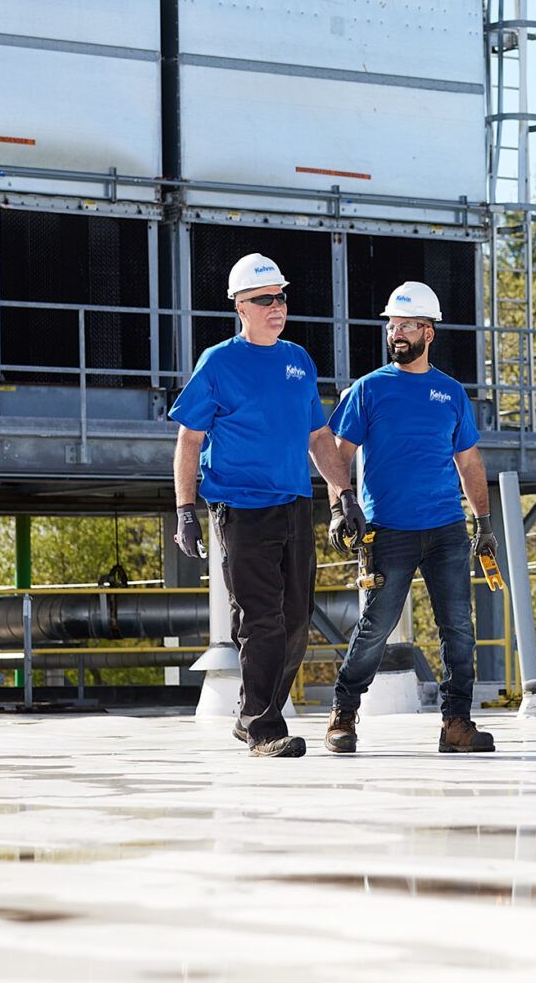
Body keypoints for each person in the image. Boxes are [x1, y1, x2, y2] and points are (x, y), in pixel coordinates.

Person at [171, 253, 365, 758]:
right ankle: (263, 727)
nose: (277, 306)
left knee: (296, 619)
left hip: (295, 506)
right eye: (264, 299)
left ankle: (254, 712)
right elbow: (189, 440)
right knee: (261, 620)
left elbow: (319, 437)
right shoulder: (218, 362)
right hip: (241, 509)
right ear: (240, 305)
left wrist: (345, 494)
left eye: (281, 296)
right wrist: (185, 510)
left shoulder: (298, 360)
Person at [324, 281, 498, 755]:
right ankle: (343, 715)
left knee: (459, 628)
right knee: (376, 626)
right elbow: (336, 455)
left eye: (405, 326)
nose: (395, 333)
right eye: (391, 325)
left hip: (446, 529)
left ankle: (456, 724)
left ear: (429, 331)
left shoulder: (450, 393)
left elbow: (470, 463)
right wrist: (343, 507)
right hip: (388, 531)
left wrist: (483, 523)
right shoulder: (368, 390)